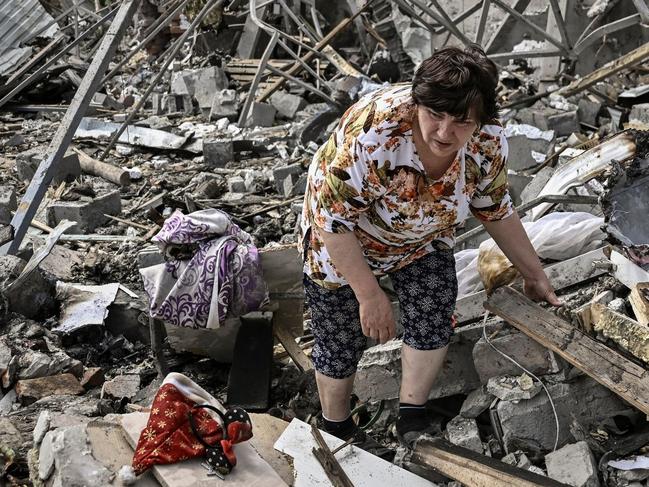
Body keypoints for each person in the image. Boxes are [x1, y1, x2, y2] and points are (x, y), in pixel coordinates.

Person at [298, 45, 562, 452]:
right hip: (343, 234)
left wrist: (534, 273)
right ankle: (336, 426)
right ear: (417, 103)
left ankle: (412, 417)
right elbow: (332, 222)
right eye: (434, 115)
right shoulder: (375, 134)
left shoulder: (487, 143)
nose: (444, 133)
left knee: (434, 305)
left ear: (480, 120)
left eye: (461, 122)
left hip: (421, 231)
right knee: (339, 329)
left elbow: (495, 210)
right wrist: (369, 295)